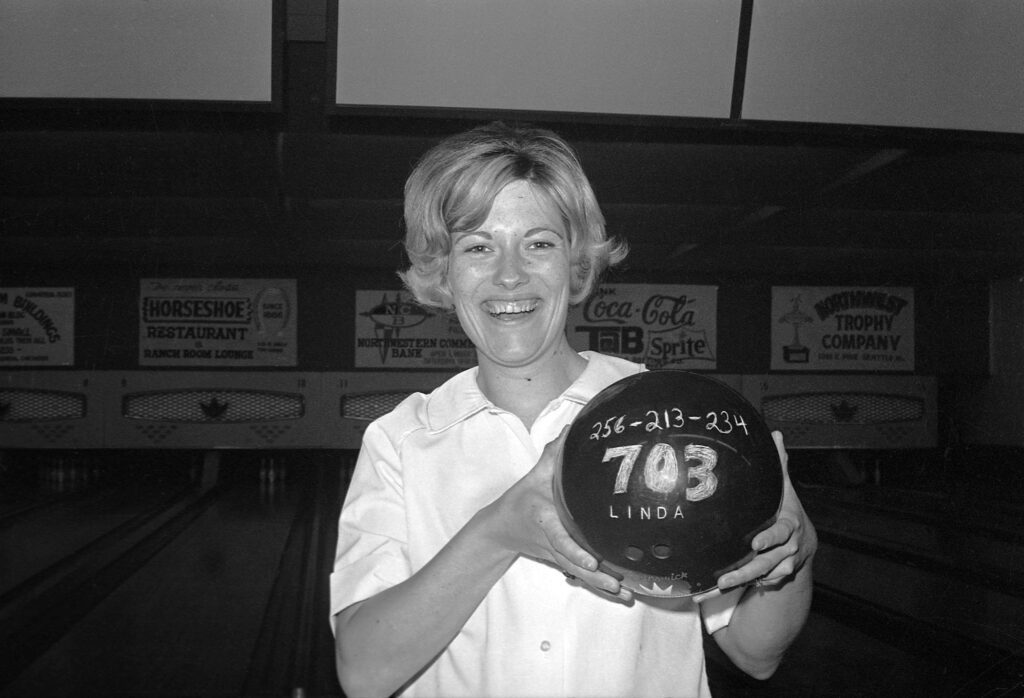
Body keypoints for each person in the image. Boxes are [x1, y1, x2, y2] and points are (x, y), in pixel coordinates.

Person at [330, 122, 817, 698]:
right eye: (478, 246)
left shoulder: (674, 417)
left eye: (539, 243)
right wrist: (496, 533)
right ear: (443, 271)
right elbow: (361, 674)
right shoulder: (402, 441)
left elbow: (758, 653)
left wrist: (795, 554)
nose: (509, 274)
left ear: (576, 263)